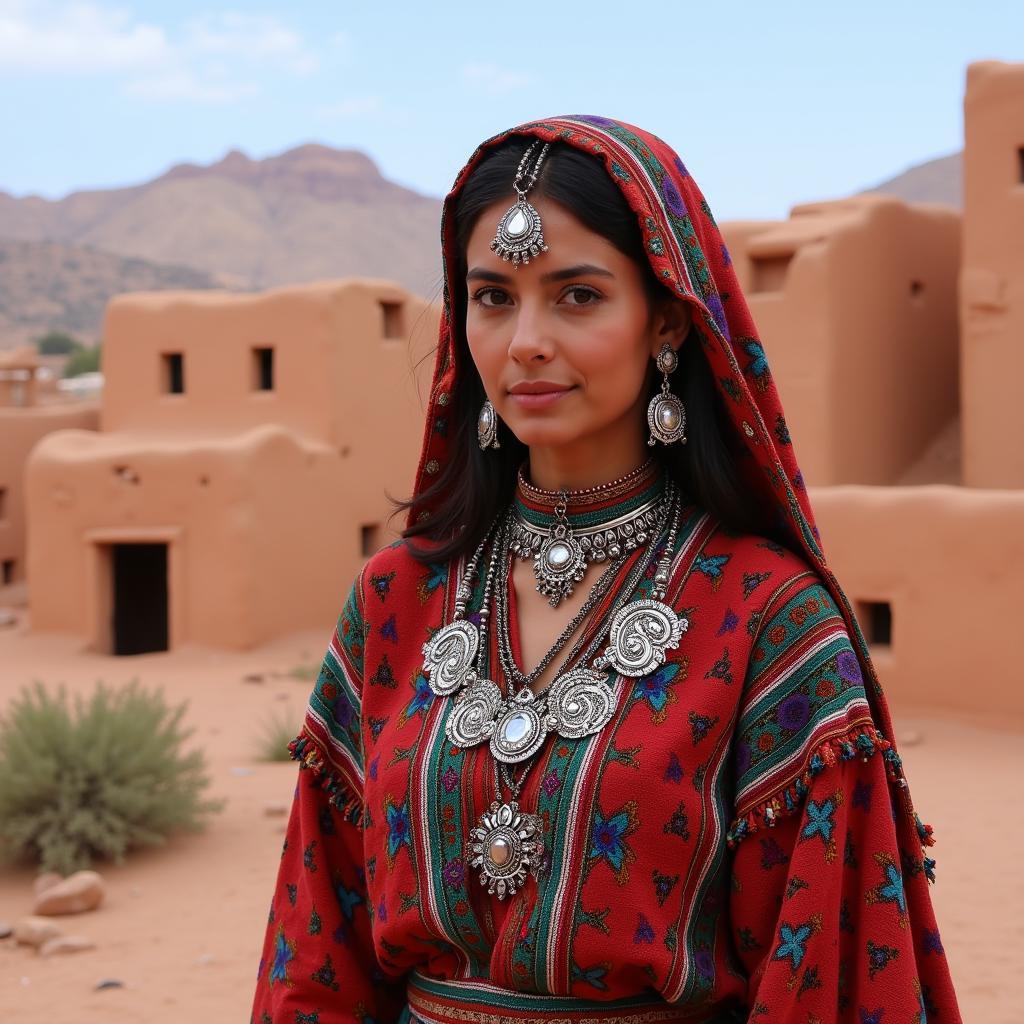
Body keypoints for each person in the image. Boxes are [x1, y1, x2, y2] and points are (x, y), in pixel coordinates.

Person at [250, 116, 962, 1023]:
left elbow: (823, 965)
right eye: (492, 296)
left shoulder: (767, 619)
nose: (524, 341)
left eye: (577, 296)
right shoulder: (398, 599)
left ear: (665, 319)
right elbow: (317, 942)